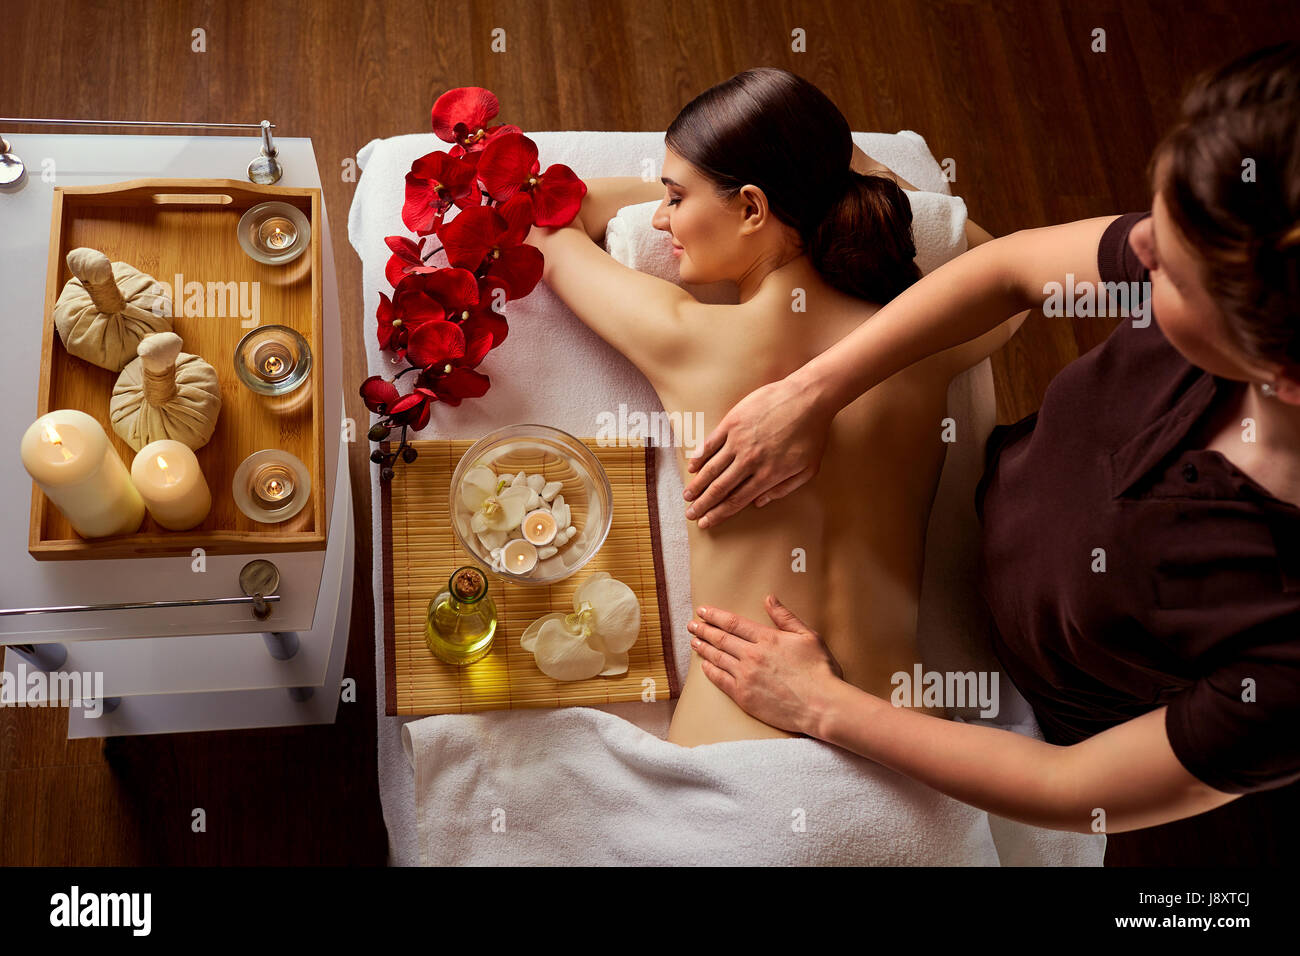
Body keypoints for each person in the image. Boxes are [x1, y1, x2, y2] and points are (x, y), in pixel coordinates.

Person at [680, 43, 1300, 833]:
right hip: (991, 520)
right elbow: (1007, 272)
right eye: (1156, 219)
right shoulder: (1232, 236)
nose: (1136, 251)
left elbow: (1074, 789)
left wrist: (825, 704)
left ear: (1282, 374)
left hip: (1053, 702)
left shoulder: (1282, 660)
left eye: (1171, 274)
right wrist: (814, 391)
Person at [527, 67, 1017, 746]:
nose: (661, 218)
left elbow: (542, 220)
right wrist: (843, 171)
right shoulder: (923, 346)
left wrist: (739, 187)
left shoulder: (688, 338)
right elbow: (1003, 269)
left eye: (675, 196)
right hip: (905, 743)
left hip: (737, 741)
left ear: (753, 208)